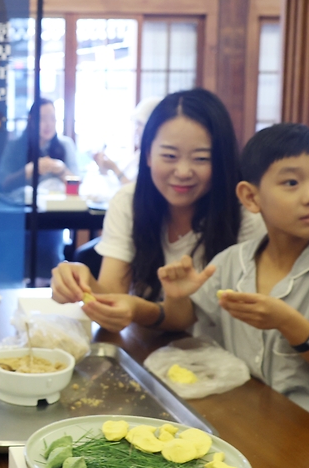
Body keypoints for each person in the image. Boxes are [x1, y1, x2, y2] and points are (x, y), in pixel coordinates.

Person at [157, 123, 309, 430]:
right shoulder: (232, 261)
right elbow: (182, 321)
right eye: (292, 182)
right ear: (251, 197)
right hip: (244, 417)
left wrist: (289, 322)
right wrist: (176, 296)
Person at [51, 88, 267, 331]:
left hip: (227, 360)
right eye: (169, 156)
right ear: (148, 156)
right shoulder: (128, 203)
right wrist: (84, 283)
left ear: (222, 160)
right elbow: (112, 302)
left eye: (201, 158)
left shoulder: (245, 214)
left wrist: (137, 308)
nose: (183, 172)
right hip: (150, 351)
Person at [0, 98, 80, 284]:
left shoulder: (65, 145)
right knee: (16, 248)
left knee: (50, 247)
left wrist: (61, 170)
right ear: (32, 121)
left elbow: (76, 185)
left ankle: (49, 287)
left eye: (52, 118)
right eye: (42, 118)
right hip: (19, 215)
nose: (48, 124)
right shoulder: (16, 145)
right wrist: (28, 171)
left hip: (54, 216)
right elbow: (2, 183)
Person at [93, 96, 162, 186]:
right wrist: (103, 168)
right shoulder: (137, 155)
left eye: (140, 124)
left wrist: (114, 168)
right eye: (136, 124)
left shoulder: (154, 160)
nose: (136, 130)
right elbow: (116, 189)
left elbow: (134, 192)